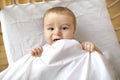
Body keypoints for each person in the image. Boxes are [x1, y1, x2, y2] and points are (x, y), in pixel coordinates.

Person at [29, 6, 102, 57]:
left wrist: (92, 48)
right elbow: (32, 63)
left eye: (64, 28)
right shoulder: (43, 50)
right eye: (51, 29)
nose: (57, 32)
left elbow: (99, 59)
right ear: (44, 31)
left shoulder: (79, 45)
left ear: (74, 31)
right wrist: (34, 53)